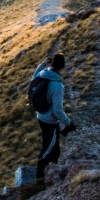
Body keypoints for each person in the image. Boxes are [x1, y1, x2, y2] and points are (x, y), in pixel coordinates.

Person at [32, 52, 74, 181]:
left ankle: (47, 175)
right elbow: (57, 110)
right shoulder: (57, 86)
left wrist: (43, 64)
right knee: (49, 149)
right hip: (49, 121)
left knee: (53, 149)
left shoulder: (44, 73)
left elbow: (33, 78)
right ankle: (40, 176)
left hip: (40, 115)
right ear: (63, 66)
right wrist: (68, 123)